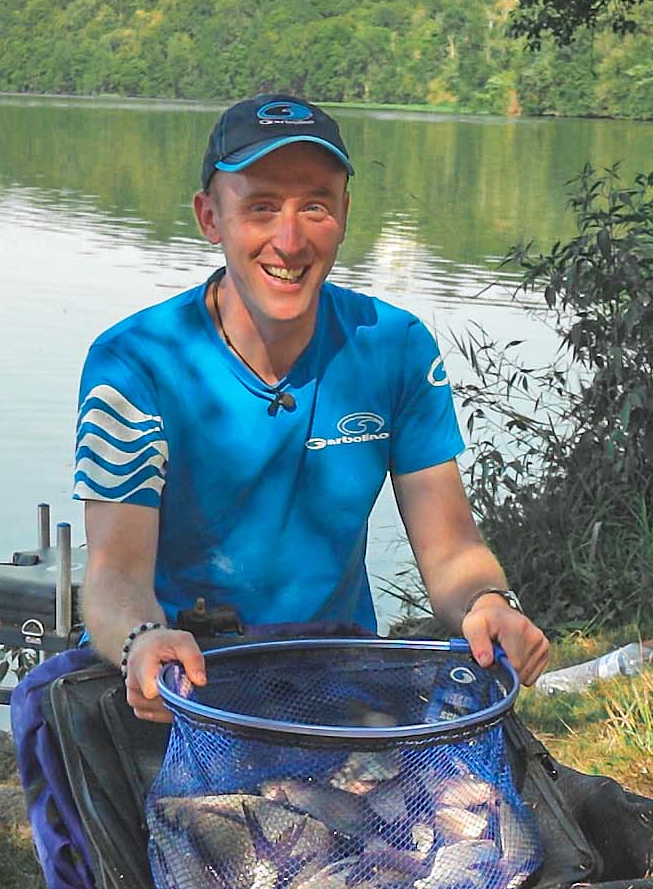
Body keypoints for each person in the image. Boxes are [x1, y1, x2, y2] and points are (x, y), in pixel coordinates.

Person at [73, 93, 548, 721]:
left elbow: (451, 549)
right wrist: (141, 640)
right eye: (261, 207)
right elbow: (115, 578)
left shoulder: (394, 347)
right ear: (210, 217)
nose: (290, 240)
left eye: (315, 205)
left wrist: (489, 602)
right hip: (179, 684)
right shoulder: (134, 363)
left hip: (335, 675)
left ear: (346, 212)